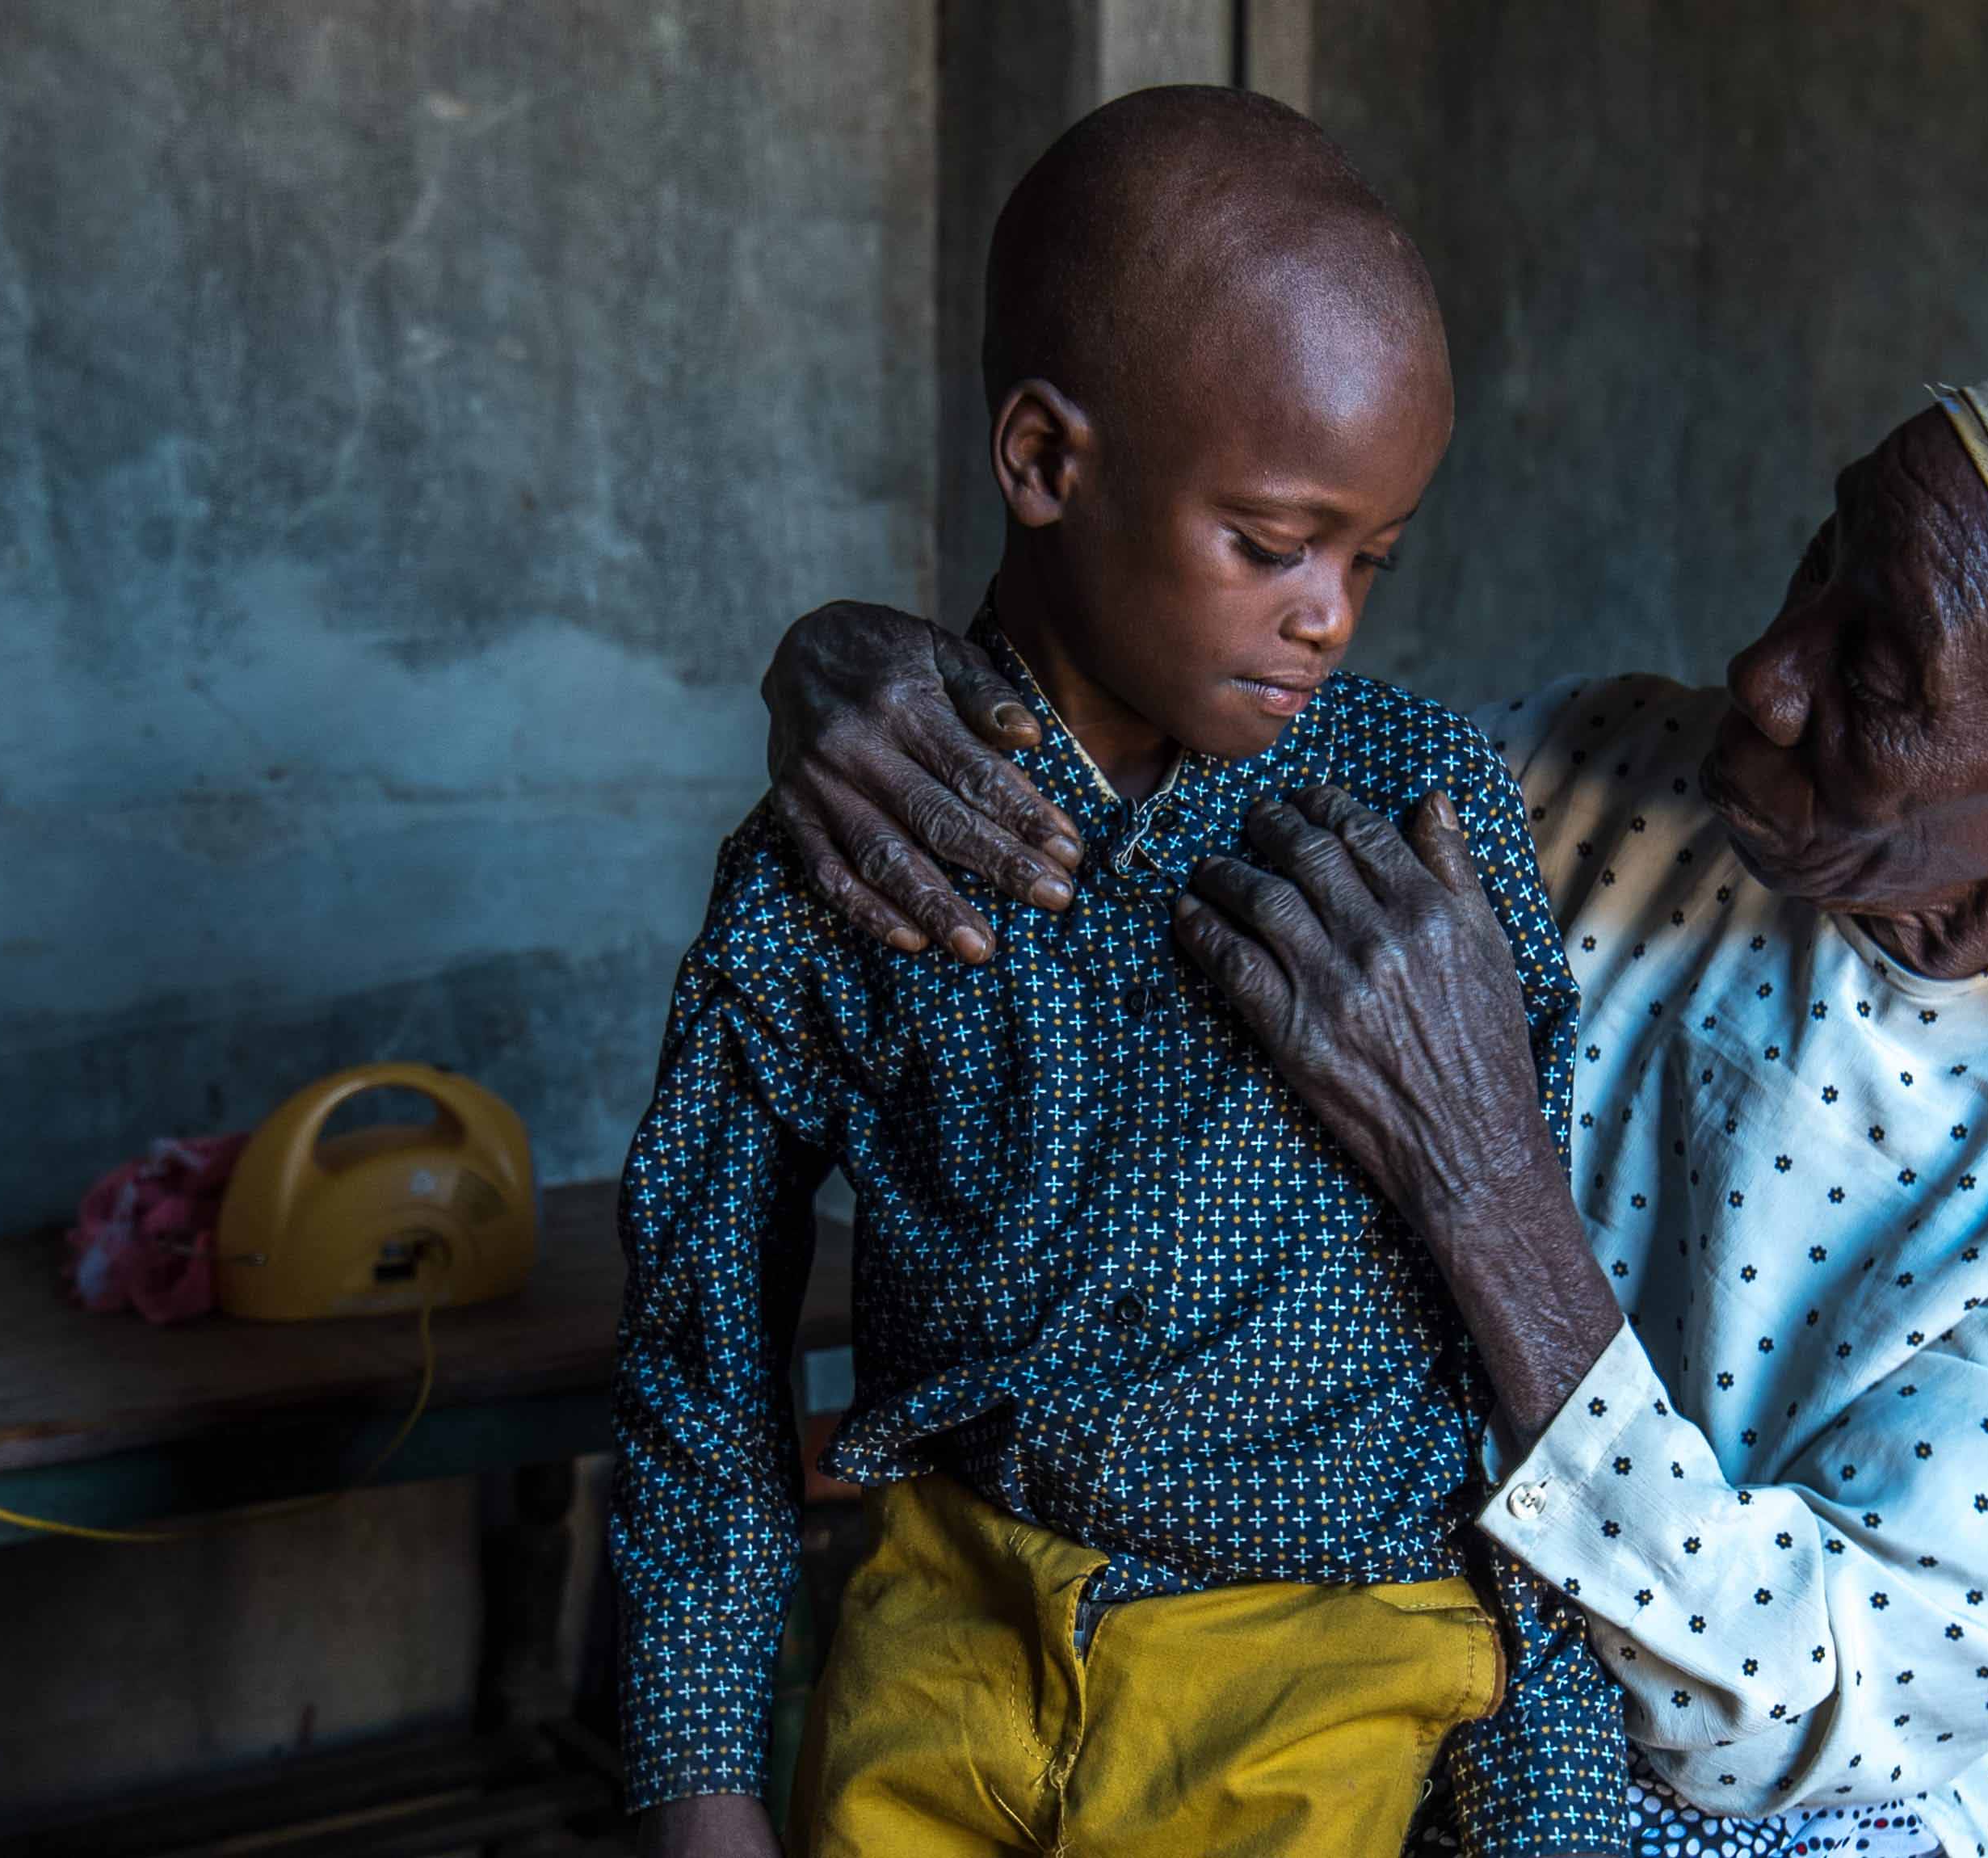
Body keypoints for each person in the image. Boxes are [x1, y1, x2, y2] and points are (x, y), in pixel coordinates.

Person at [746, 338, 1988, 1858]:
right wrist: (884, 679)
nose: (1765, 669)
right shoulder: (1615, 771)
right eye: (1822, 560)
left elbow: (1773, 1722)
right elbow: (1163, 814)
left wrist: (1483, 1178)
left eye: (1875, 678)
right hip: (1392, 1618)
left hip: (1768, 1792)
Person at [607, 87, 1632, 1858]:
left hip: (1311, 1682)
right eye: (1272, 541)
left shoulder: (1415, 811)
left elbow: (1505, 1334)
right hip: (945, 1656)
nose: (1331, 613)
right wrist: (704, 1798)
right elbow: (700, 1360)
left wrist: (1552, 1797)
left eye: (1371, 559)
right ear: (1047, 462)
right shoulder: (834, 864)